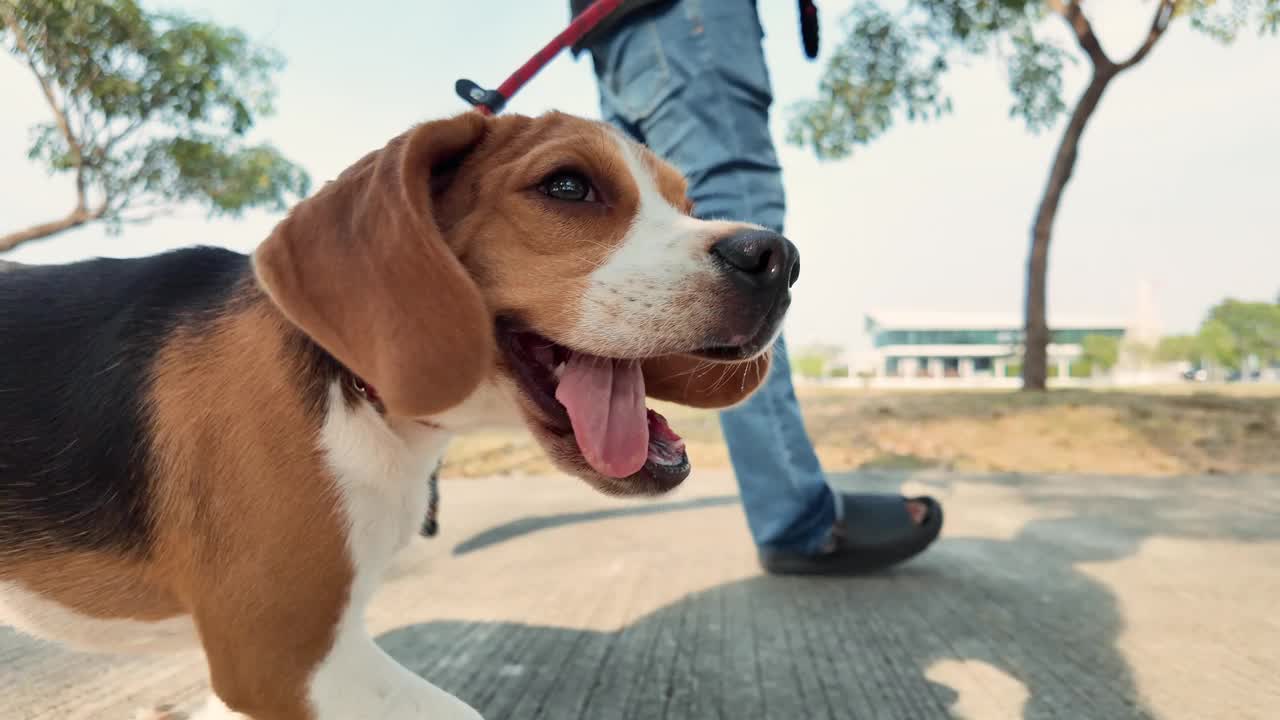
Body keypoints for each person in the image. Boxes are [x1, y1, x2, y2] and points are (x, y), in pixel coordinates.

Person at [569, 0, 944, 575]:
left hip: (609, 37)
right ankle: (796, 517)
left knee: (637, 253)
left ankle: (620, 456)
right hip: (687, 21)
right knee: (744, 272)